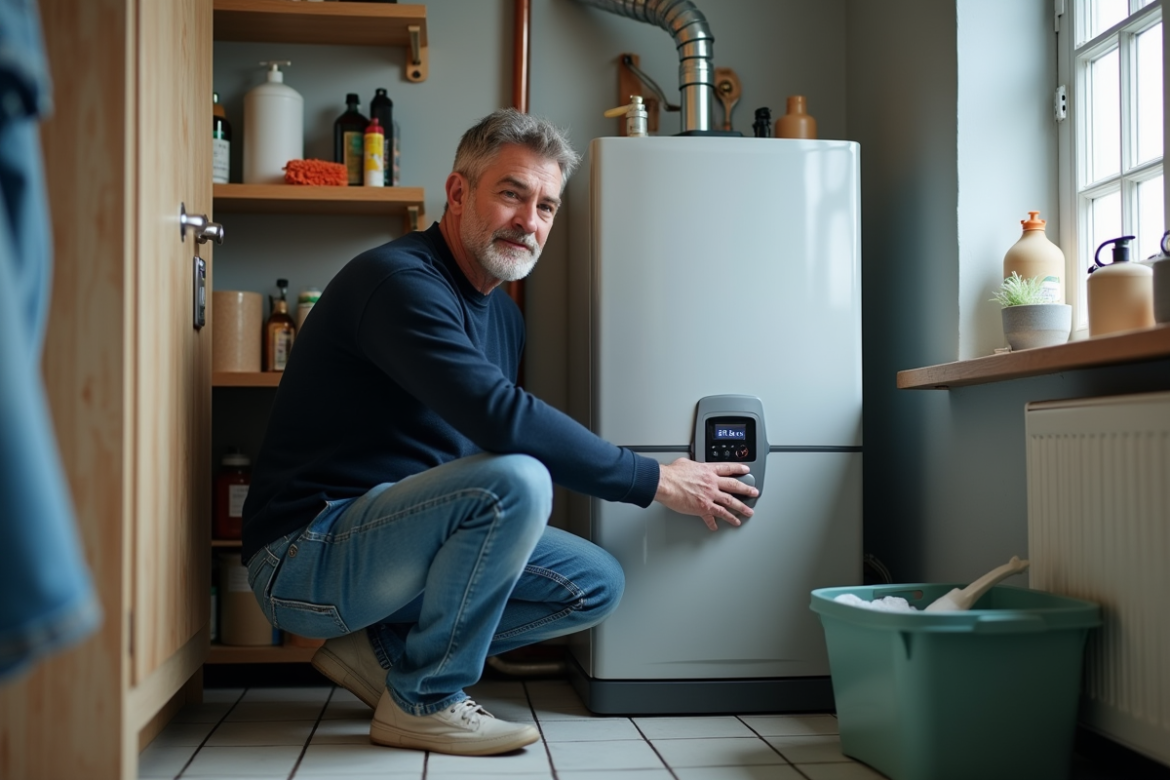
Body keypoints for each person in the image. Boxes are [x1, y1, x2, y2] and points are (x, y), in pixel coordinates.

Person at [241, 108, 757, 756]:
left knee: (594, 582)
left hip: (391, 549)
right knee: (517, 478)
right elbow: (501, 418)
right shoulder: (398, 282)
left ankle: (381, 655)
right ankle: (425, 700)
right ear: (458, 193)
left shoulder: (504, 318)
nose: (529, 221)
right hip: (304, 555)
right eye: (512, 194)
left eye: (546, 206)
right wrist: (653, 479)